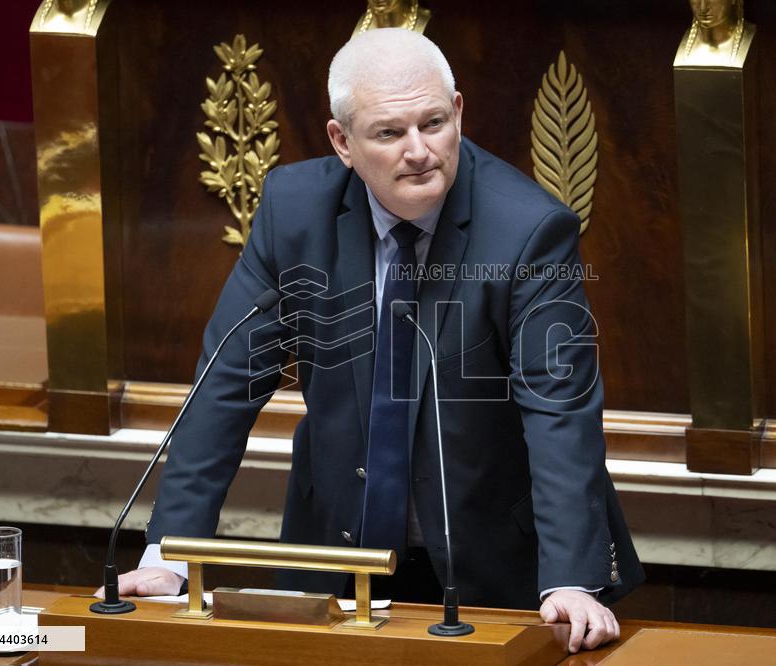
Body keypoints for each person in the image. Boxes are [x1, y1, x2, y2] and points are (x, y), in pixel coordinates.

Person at [100, 28, 643, 653]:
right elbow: (227, 382)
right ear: (343, 142)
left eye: (434, 122)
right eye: (389, 133)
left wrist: (572, 579)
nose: (419, 151)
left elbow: (561, 408)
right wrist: (168, 552)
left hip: (494, 562)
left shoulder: (529, 231)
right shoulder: (293, 211)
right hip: (335, 550)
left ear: (458, 112)